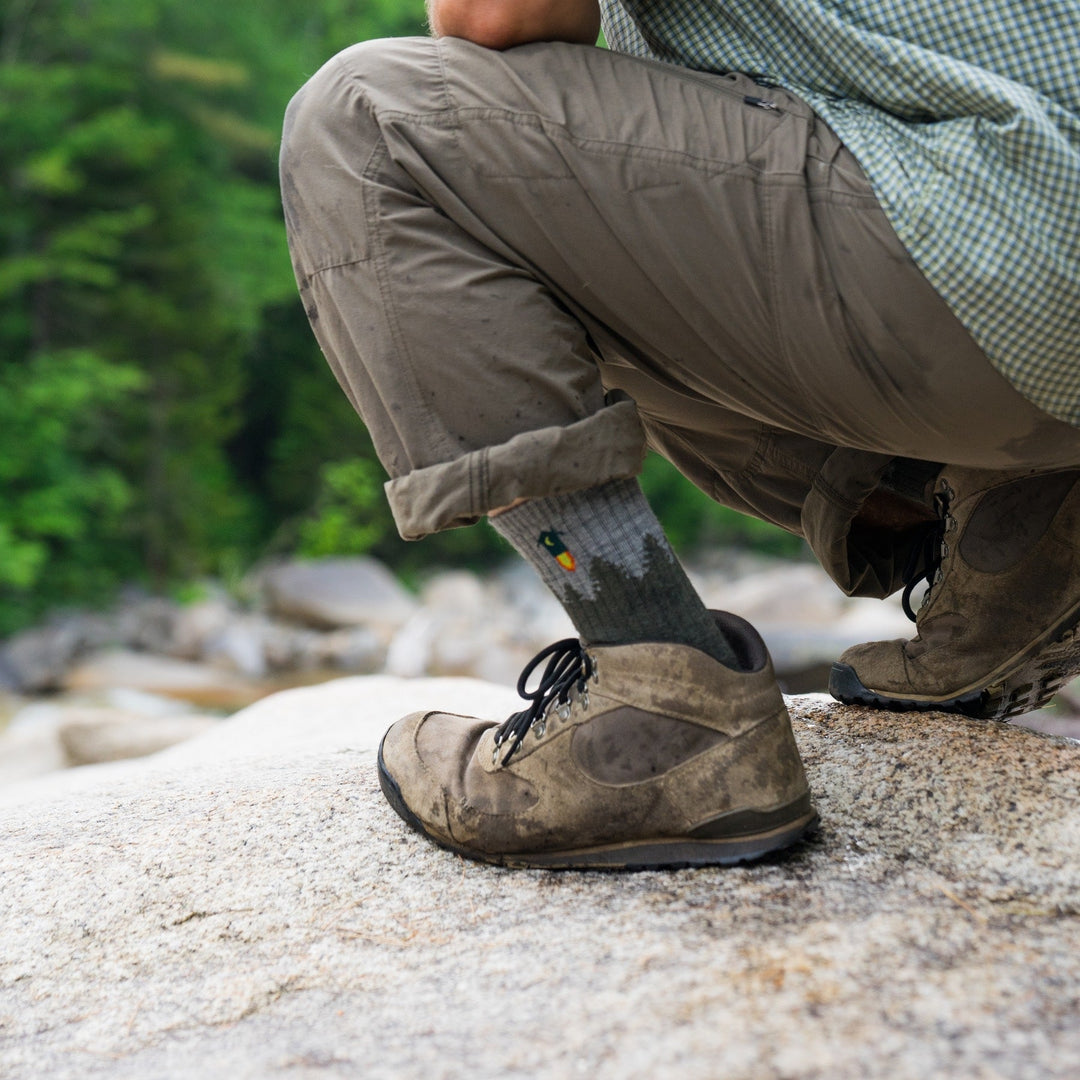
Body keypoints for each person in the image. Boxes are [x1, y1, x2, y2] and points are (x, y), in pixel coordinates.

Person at [279, 1, 1080, 869]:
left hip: (1008, 245)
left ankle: (662, 703)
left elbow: (498, 15)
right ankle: (1023, 532)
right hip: (1024, 234)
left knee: (368, 124)